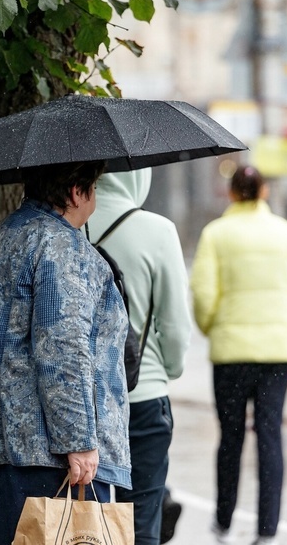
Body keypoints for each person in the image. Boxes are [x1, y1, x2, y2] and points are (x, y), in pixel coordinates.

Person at [0, 161, 132, 545]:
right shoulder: (61, 247)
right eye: (94, 188)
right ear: (76, 192)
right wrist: (79, 442)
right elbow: (63, 348)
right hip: (48, 455)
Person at [190, 166, 287, 545]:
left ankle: (224, 522)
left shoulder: (215, 235)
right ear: (264, 192)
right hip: (278, 353)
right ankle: (267, 530)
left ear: (231, 194)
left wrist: (217, 328)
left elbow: (203, 296)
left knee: (230, 437)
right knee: (270, 436)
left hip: (231, 355)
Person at [87, 168, 191, 545]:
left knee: (86, 519)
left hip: (86, 402)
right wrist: (168, 369)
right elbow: (176, 328)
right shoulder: (158, 230)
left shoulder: (67, 224)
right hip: (142, 395)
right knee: (141, 520)